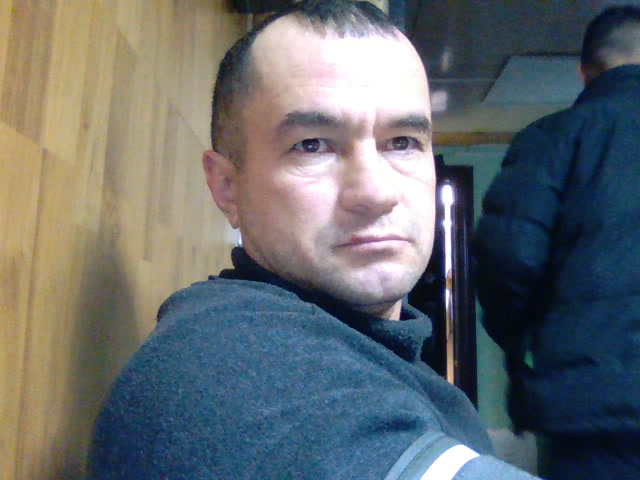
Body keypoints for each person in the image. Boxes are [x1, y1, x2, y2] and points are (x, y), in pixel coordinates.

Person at [86, 1, 539, 478]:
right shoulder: (227, 366)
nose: (377, 193)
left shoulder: (386, 358)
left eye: (402, 142)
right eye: (312, 145)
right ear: (227, 186)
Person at [474, 5, 640, 480]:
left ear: (584, 71)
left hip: (591, 403)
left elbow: (508, 259)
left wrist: (520, 343)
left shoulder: (551, 140)